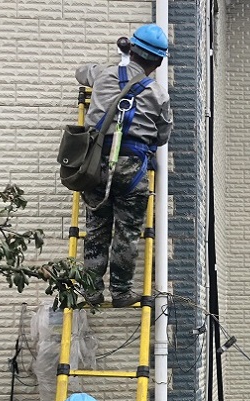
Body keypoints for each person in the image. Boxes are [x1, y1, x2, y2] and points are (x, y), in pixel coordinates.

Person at [76, 24, 173, 307]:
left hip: (94, 165)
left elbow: (80, 72)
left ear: (130, 50)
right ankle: (120, 292)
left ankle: (91, 291)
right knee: (127, 233)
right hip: (133, 169)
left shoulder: (103, 75)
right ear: (157, 62)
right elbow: (163, 135)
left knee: (96, 229)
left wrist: (113, 62)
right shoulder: (159, 94)